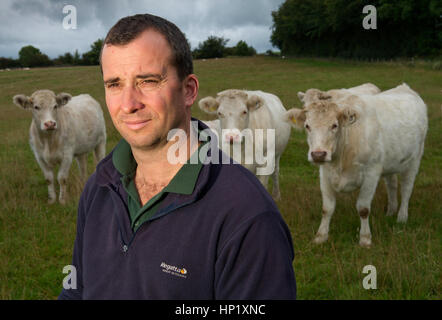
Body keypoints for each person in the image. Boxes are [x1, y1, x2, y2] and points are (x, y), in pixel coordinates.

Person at [58, 13, 296, 300]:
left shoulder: (247, 216)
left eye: (147, 81)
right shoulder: (100, 184)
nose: (129, 104)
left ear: (188, 90)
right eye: (114, 84)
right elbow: (75, 292)